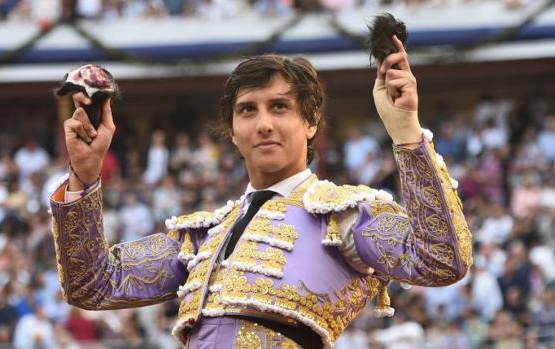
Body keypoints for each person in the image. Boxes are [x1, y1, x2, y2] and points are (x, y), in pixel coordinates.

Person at [49, 35, 472, 348]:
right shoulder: (204, 235)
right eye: (248, 110)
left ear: (310, 123)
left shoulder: (343, 216)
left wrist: (406, 134)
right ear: (233, 132)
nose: (263, 123)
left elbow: (441, 259)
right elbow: (93, 284)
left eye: (280, 107)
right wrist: (85, 178)